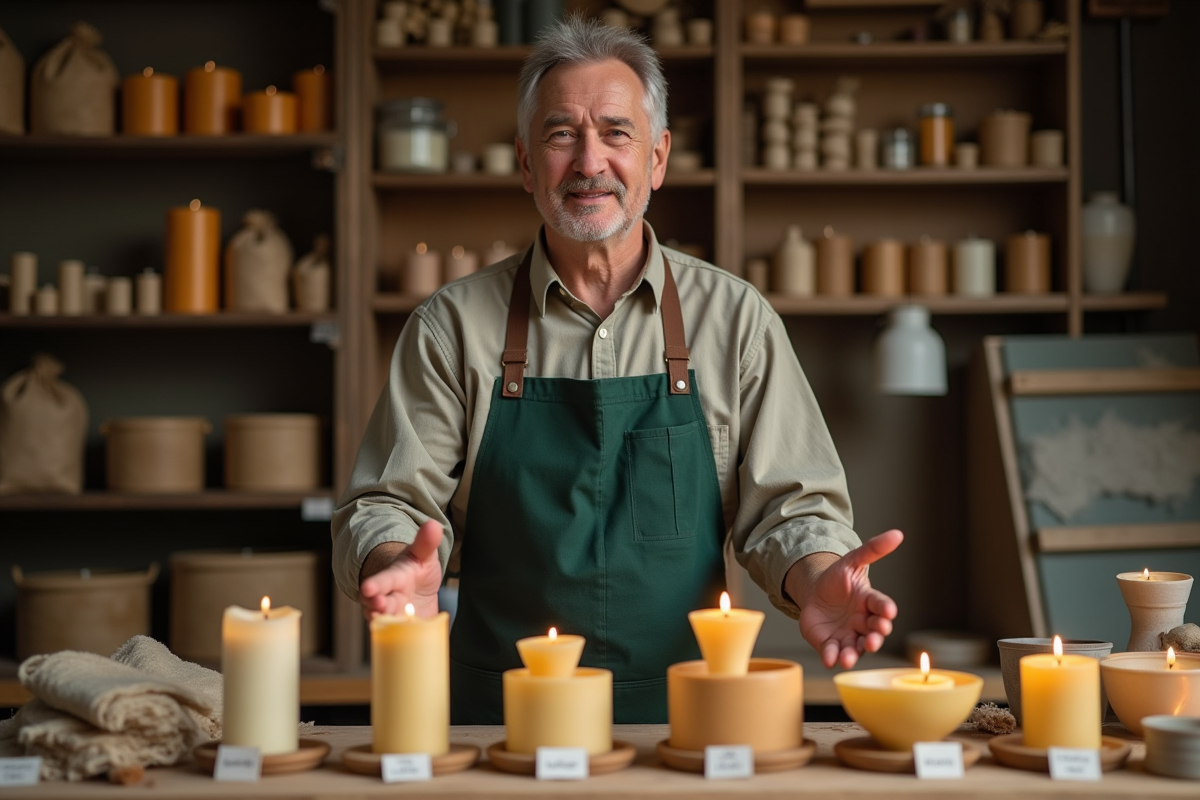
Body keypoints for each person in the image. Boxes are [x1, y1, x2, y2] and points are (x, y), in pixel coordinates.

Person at [332, 16, 903, 725]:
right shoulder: (451, 327)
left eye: (616, 132)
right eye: (561, 133)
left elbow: (793, 510)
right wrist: (394, 564)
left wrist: (819, 578)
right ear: (524, 162)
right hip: (499, 722)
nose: (589, 161)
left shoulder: (735, 321)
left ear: (657, 159)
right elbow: (388, 504)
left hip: (686, 718)